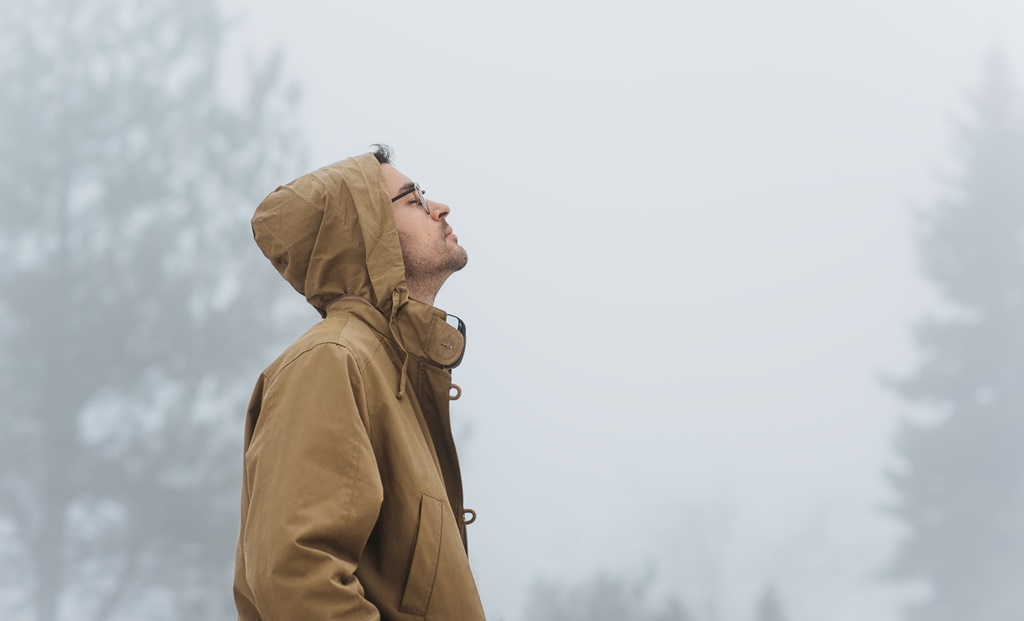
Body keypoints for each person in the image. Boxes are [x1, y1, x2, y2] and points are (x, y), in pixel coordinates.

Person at [233, 145, 486, 620]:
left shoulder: (394, 376)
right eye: (413, 200)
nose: (440, 208)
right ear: (369, 237)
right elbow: (297, 577)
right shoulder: (332, 362)